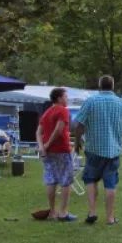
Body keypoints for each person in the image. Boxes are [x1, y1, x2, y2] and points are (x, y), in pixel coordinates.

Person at [73, 75, 122, 225]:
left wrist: (77, 142)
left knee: (90, 179)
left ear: (99, 86)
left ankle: (93, 211)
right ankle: (110, 218)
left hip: (94, 149)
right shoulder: (121, 103)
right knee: (110, 183)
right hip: (114, 150)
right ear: (112, 86)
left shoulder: (90, 101)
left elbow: (79, 125)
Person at [35, 87, 77, 221]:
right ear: (59, 98)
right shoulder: (63, 111)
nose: (67, 99)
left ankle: (52, 212)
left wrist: (42, 147)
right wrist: (46, 145)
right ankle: (63, 212)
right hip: (62, 150)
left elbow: (38, 132)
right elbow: (59, 130)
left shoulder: (47, 112)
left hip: (48, 152)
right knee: (66, 180)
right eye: (66, 96)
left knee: (51, 180)